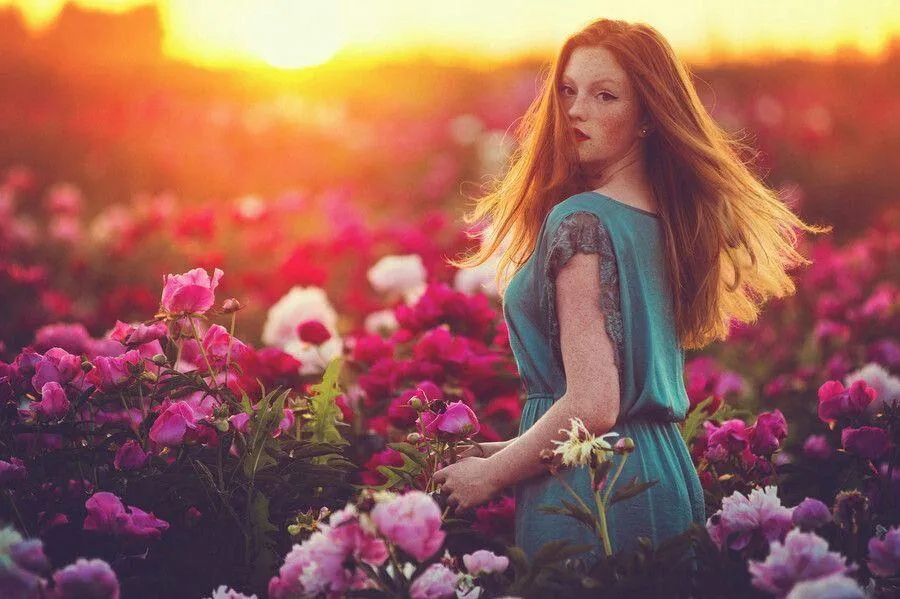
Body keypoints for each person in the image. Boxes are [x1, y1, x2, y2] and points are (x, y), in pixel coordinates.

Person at [432, 18, 831, 565]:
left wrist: (490, 476)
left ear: (647, 115)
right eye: (568, 91)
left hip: (596, 491)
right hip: (660, 474)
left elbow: (595, 405)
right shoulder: (665, 220)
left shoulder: (582, 221)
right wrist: (504, 451)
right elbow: (616, 402)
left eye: (604, 95)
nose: (575, 110)